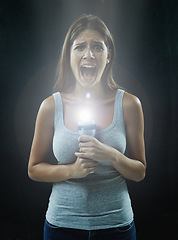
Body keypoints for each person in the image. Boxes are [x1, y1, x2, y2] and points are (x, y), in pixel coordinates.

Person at [28, 14, 146, 240]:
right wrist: (72, 170)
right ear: (69, 55)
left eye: (98, 48)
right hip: (62, 227)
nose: (89, 54)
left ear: (108, 55)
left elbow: (140, 171)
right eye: (80, 47)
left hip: (116, 226)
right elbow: (33, 169)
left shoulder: (130, 104)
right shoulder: (51, 106)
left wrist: (110, 155)